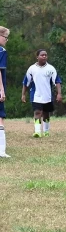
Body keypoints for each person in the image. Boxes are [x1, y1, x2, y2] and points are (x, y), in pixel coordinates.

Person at [21, 49, 62, 137]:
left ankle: (46, 131)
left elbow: (57, 81)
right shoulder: (32, 69)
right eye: (42, 55)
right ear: (37, 57)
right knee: (37, 112)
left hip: (47, 96)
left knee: (46, 114)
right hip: (35, 95)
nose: (44, 56)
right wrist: (23, 94)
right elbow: (25, 82)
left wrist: (59, 93)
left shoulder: (51, 69)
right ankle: (37, 131)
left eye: (45, 55)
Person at [0, 26, 11, 158]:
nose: (6, 40)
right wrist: (1, 90)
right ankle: (2, 150)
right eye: (6, 37)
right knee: (0, 117)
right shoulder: (1, 51)